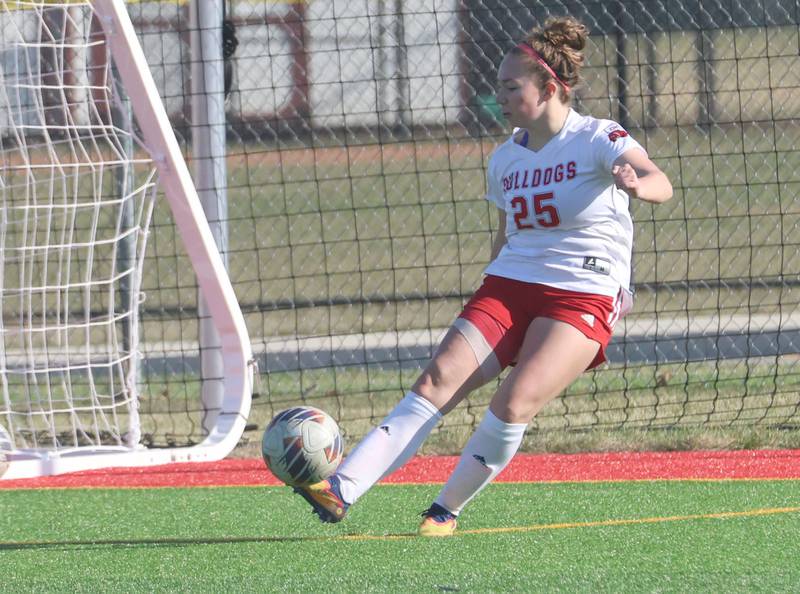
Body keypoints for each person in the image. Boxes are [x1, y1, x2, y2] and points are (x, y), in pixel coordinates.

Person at [293, 15, 673, 536]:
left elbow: (660, 182)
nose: (501, 96)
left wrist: (636, 184)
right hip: (510, 284)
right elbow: (506, 236)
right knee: (435, 382)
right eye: (498, 86)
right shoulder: (504, 159)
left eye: (511, 87)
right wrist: (487, 301)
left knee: (513, 401)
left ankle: (444, 510)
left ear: (550, 88)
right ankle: (339, 489)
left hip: (583, 289)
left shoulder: (597, 136)